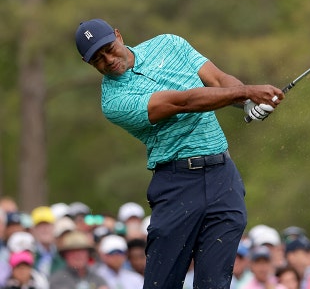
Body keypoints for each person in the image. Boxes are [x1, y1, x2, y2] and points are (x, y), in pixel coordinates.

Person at [74, 18, 284, 289]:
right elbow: (182, 102)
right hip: (176, 186)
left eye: (109, 48)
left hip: (223, 178)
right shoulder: (114, 102)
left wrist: (245, 101)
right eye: (97, 59)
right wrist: (245, 92)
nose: (108, 60)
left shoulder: (169, 44)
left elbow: (218, 79)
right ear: (87, 62)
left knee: (215, 283)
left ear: (119, 35)